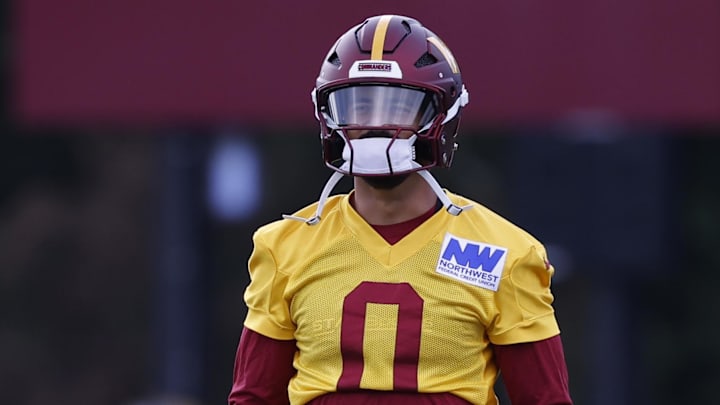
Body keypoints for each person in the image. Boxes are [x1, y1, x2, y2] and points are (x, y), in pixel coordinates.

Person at [228, 14, 573, 405]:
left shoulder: (507, 255)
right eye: (358, 106)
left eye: (398, 107)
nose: (375, 126)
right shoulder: (284, 247)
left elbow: (545, 400)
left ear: (441, 117)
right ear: (329, 116)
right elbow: (254, 398)